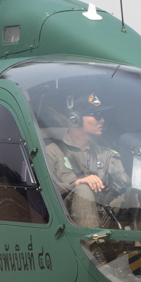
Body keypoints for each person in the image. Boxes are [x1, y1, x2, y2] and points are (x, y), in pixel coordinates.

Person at [43, 93, 129, 228]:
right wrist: (76, 183)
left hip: (103, 214)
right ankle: (91, 245)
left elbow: (125, 178)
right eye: (97, 115)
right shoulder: (52, 152)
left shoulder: (104, 154)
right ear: (75, 119)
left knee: (136, 193)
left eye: (102, 116)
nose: (102, 121)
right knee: (83, 190)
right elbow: (43, 193)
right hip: (67, 222)